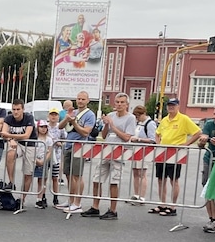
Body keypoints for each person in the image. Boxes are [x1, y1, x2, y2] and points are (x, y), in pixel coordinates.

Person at [81, 92, 135, 220]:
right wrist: (106, 124)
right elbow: (104, 135)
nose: (119, 104)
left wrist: (112, 125)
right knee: (96, 179)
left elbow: (127, 137)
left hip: (119, 153)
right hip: (106, 151)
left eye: (122, 102)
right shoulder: (111, 115)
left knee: (114, 182)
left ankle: (113, 210)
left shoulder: (130, 118)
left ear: (127, 104)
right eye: (117, 102)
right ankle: (95, 207)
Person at [152, 97, 202, 217]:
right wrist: (158, 144)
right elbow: (157, 133)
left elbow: (197, 132)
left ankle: (173, 206)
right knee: (161, 179)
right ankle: (162, 203)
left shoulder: (183, 119)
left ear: (178, 106)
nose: (170, 107)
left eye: (173, 105)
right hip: (162, 152)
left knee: (173, 180)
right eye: (169, 105)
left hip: (175, 153)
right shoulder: (164, 120)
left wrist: (185, 144)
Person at [57, 91, 95, 214]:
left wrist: (74, 122)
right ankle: (71, 200)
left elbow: (85, 132)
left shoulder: (90, 115)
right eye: (78, 98)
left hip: (80, 146)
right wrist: (67, 119)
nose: (80, 101)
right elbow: (61, 127)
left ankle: (77, 203)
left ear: (88, 100)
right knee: (68, 174)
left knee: (77, 175)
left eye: (83, 99)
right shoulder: (73, 112)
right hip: (68, 144)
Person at [1, 99, 37, 206]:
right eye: (14, 109)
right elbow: (3, 133)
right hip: (16, 144)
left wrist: (10, 136)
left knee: (28, 174)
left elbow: (26, 135)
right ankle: (11, 182)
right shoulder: (8, 118)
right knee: (10, 154)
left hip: (29, 145)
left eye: (18, 109)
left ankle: (22, 198)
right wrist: (10, 139)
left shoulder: (29, 117)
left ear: (23, 109)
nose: (15, 112)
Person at [197, 106, 215, 232]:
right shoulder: (209, 124)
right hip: (209, 159)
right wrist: (202, 141)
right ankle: (212, 219)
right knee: (208, 189)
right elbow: (201, 142)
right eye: (214, 114)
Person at [129, 105, 156, 204]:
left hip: (144, 150)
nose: (137, 118)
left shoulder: (150, 123)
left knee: (142, 174)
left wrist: (139, 139)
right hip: (136, 150)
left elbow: (152, 139)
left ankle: (142, 196)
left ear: (143, 114)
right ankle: (136, 194)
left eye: (138, 116)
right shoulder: (139, 123)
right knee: (135, 173)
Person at [33, 119, 52, 208]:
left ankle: (40, 199)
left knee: (42, 180)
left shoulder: (49, 139)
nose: (43, 129)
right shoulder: (35, 138)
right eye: (41, 127)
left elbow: (49, 151)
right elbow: (31, 150)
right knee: (27, 178)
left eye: (45, 127)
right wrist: (36, 160)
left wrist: (43, 161)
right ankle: (22, 197)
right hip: (34, 161)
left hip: (44, 161)